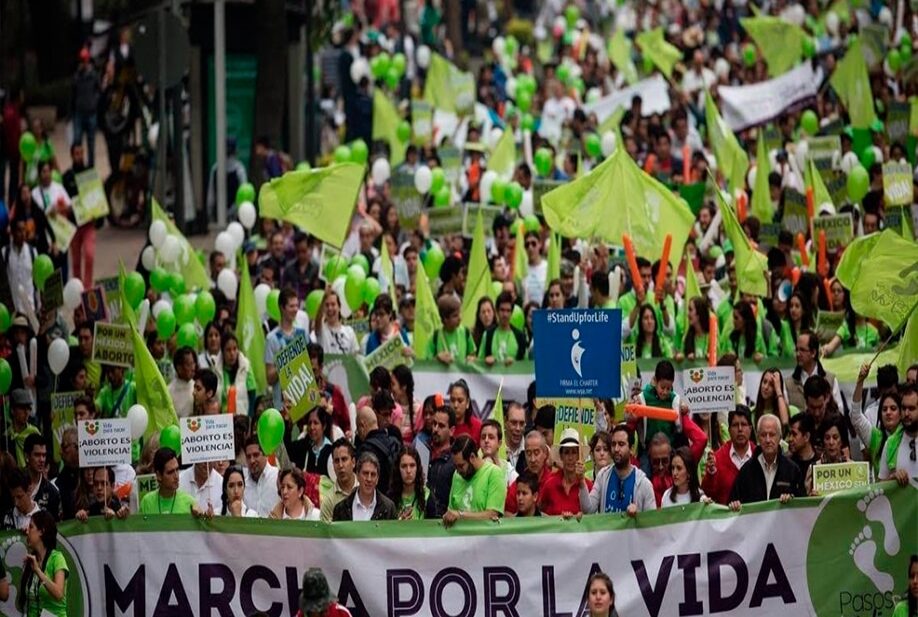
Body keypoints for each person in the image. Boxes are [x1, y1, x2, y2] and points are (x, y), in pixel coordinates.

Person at [729, 414, 806, 510]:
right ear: (757, 438)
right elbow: (732, 502)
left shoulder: (792, 470)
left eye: (772, 434)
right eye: (763, 435)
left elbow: (802, 506)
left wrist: (792, 500)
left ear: (780, 437)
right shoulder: (746, 470)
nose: (768, 440)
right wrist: (734, 505)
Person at [580, 424, 656, 516]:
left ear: (631, 449)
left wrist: (638, 514)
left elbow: (651, 523)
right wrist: (581, 482)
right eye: (613, 444)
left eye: (621, 444)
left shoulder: (644, 484)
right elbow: (588, 510)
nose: (616, 449)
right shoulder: (603, 476)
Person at [442, 435, 507, 527]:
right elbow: (451, 511)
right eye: (456, 466)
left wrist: (460, 515)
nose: (458, 471)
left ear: (472, 457)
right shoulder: (456, 475)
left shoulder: (494, 473)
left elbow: (492, 514)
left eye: (461, 466)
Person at [701, 406, 755, 505]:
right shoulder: (717, 458)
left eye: (743, 424)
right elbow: (707, 495)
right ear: (729, 429)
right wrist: (711, 475)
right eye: (735, 425)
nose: (740, 429)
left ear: (750, 429)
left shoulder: (759, 456)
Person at [18, 511, 68, 617]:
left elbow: (59, 594)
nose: (27, 531)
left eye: (31, 527)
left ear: (41, 531)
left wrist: (38, 571)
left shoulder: (57, 558)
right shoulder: (31, 560)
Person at [265, 288, 309, 409]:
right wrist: (285, 360)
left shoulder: (302, 334)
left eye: (296, 306)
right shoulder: (272, 338)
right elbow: (269, 378)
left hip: (302, 401)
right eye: (291, 306)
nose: (295, 310)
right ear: (282, 308)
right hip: (282, 405)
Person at [140, 448, 209, 517]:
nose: (176, 476)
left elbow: (202, 525)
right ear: (159, 475)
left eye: (177, 469)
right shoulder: (147, 502)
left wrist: (206, 517)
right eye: (170, 472)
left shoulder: (190, 502)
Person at [786, 330, 843, 412]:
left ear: (813, 352)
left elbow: (840, 411)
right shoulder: (788, 384)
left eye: (802, 350)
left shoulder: (830, 380)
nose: (798, 354)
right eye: (796, 350)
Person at [332, 452, 398, 521]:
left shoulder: (389, 508)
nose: (369, 479)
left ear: (377, 479)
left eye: (373, 474)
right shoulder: (340, 509)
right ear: (357, 475)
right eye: (365, 473)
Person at [541, 428, 592, 515]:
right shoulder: (550, 484)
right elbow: (540, 513)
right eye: (566, 452)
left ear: (579, 456)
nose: (570, 458)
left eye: (574, 452)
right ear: (561, 456)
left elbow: (591, 516)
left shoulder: (588, 486)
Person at [504, 430, 554, 515]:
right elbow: (506, 512)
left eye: (536, 453)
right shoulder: (518, 484)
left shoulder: (553, 481)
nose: (532, 459)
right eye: (528, 453)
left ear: (545, 453)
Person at [878, 384, 917, 486]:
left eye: (911, 408)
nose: (906, 413)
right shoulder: (891, 444)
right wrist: (892, 478)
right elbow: (879, 488)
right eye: (903, 408)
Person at [355, 406, 400, 494]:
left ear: (362, 426)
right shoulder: (394, 443)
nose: (358, 434)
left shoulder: (365, 450)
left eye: (358, 430)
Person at [478, 292, 527, 365]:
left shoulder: (520, 336)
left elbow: (526, 366)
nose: (505, 314)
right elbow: (478, 364)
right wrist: (485, 360)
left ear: (511, 312)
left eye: (508, 311)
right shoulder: (488, 335)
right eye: (502, 310)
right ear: (497, 311)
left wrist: (515, 363)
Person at [805, 416, 850, 494]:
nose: (831, 442)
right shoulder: (813, 469)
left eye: (835, 438)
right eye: (827, 438)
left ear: (842, 441)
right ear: (823, 441)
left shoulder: (852, 467)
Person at [390, 446, 438, 520]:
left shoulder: (427, 496)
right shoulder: (389, 499)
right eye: (404, 466)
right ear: (398, 469)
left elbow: (433, 528)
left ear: (418, 468)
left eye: (412, 465)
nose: (408, 471)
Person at [426, 294, 477, 364]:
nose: (460, 318)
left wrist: (471, 358)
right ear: (445, 319)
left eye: (459, 313)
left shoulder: (466, 332)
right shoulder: (436, 336)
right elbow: (426, 364)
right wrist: (437, 358)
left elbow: (473, 355)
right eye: (455, 316)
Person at [425, 404, 456, 517]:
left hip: (442, 521)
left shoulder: (456, 459)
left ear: (452, 430)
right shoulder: (421, 449)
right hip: (419, 518)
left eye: (441, 426)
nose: (435, 429)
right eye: (434, 424)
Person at [287, 406, 334, 476]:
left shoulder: (331, 451)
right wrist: (288, 429)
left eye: (316, 423)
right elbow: (285, 453)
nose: (312, 427)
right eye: (309, 423)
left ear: (324, 426)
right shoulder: (301, 446)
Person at [23, 435, 61, 520]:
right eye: (37, 455)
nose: (42, 460)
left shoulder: (52, 492)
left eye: (44, 455)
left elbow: (55, 526)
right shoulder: (15, 483)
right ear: (27, 456)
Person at [320, 438, 358, 522]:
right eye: (336, 461)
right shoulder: (328, 502)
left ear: (353, 462)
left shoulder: (366, 490)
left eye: (344, 459)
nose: (340, 465)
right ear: (333, 465)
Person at [313, 289, 359, 355]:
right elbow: (317, 321)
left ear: (339, 307)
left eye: (333, 304)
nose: (330, 308)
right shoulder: (321, 330)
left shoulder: (349, 331)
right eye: (327, 305)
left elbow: (355, 354)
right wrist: (323, 299)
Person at [243, 436, 280, 517]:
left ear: (265, 454)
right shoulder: (242, 484)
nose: (252, 460)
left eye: (256, 455)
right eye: (248, 457)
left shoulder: (277, 477)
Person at [479, 419, 518, 486]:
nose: (486, 440)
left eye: (491, 437)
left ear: (499, 443)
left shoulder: (508, 469)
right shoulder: (475, 466)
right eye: (483, 437)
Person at [6, 388, 40, 467]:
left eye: (28, 408)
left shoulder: (34, 433)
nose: (26, 412)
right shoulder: (7, 436)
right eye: (22, 408)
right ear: (12, 410)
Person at [447, 379, 481, 445]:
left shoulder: (477, 427)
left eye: (460, 401)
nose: (455, 405)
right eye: (452, 400)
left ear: (467, 402)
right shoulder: (444, 426)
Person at [787, 414, 819, 482]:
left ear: (806, 437)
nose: (790, 439)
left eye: (794, 434)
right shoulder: (787, 463)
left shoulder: (821, 462)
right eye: (789, 434)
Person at [168, 347, 197, 418]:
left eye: (193, 363)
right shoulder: (169, 391)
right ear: (179, 368)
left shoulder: (197, 387)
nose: (193, 368)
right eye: (189, 365)